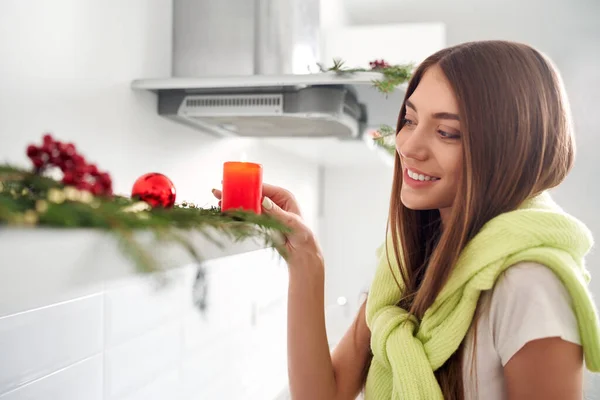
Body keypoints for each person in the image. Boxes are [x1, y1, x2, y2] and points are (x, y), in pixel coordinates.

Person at [213, 40, 600, 400]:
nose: (409, 147)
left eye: (447, 132)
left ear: (511, 148)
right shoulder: (405, 264)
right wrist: (306, 260)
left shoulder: (531, 286)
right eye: (411, 120)